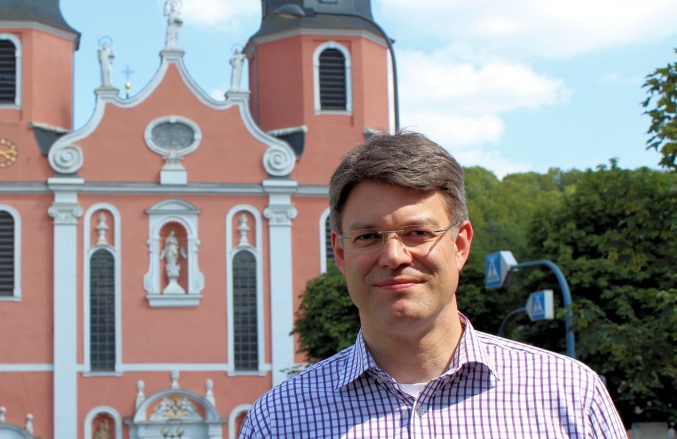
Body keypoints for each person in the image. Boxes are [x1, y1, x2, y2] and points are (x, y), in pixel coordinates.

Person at [239, 131, 627, 438]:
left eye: (418, 232)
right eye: (368, 236)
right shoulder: (277, 421)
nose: (394, 256)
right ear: (340, 255)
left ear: (459, 246)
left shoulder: (571, 396)